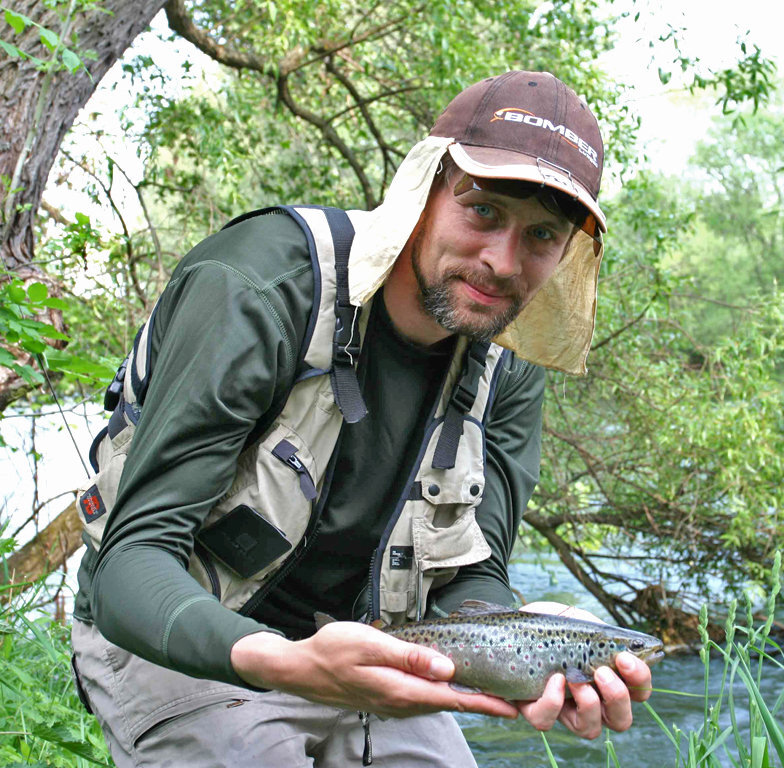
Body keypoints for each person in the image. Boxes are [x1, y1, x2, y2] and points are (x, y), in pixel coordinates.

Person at [70, 70, 653, 768]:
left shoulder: (508, 361)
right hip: (186, 636)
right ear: (426, 189)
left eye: (542, 235)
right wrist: (286, 664)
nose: (502, 262)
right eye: (483, 212)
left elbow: (474, 578)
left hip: (378, 654)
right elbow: (128, 568)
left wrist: (538, 647)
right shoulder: (262, 285)